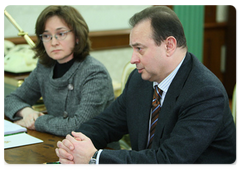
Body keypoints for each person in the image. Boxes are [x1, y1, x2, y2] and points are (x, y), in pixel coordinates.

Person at [55, 6, 237, 164]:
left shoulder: (205, 93)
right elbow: (107, 124)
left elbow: (168, 161)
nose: (133, 59)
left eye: (139, 48)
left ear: (169, 45)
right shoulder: (139, 80)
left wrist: (95, 158)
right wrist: (74, 143)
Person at [2, 4, 115, 137]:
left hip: (95, 150)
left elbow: (79, 126)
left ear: (77, 36)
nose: (53, 42)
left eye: (60, 34)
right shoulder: (44, 67)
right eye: (46, 35)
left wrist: (37, 121)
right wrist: (27, 113)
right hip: (55, 142)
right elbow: (10, 100)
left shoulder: (94, 72)